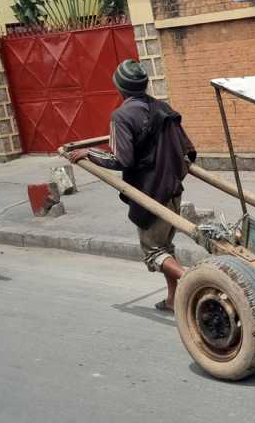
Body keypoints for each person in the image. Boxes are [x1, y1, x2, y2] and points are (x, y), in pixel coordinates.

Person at [67, 60, 196, 312]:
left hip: (150, 194)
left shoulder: (122, 116)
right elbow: (187, 151)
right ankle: (173, 299)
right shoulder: (163, 108)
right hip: (173, 189)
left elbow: (121, 159)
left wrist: (89, 153)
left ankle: (194, 280)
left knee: (154, 253)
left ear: (119, 88)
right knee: (165, 247)